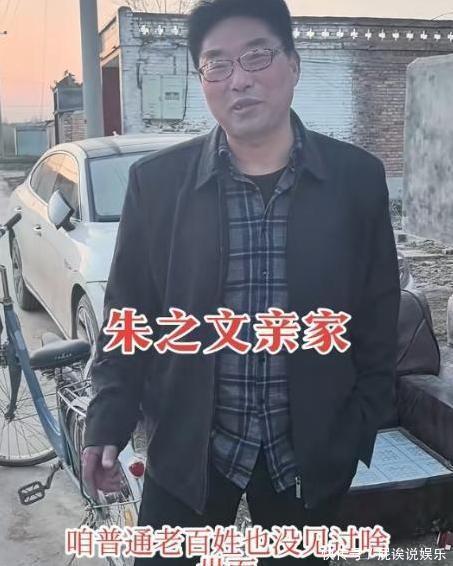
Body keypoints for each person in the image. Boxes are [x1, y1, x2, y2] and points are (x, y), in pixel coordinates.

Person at [82, 0, 401, 564]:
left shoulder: (356, 180)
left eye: (257, 56)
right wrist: (107, 421)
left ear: (293, 65)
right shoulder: (157, 186)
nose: (239, 80)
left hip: (308, 454)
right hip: (189, 450)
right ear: (202, 79)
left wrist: (354, 430)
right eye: (217, 64)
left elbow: (377, 318)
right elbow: (129, 316)